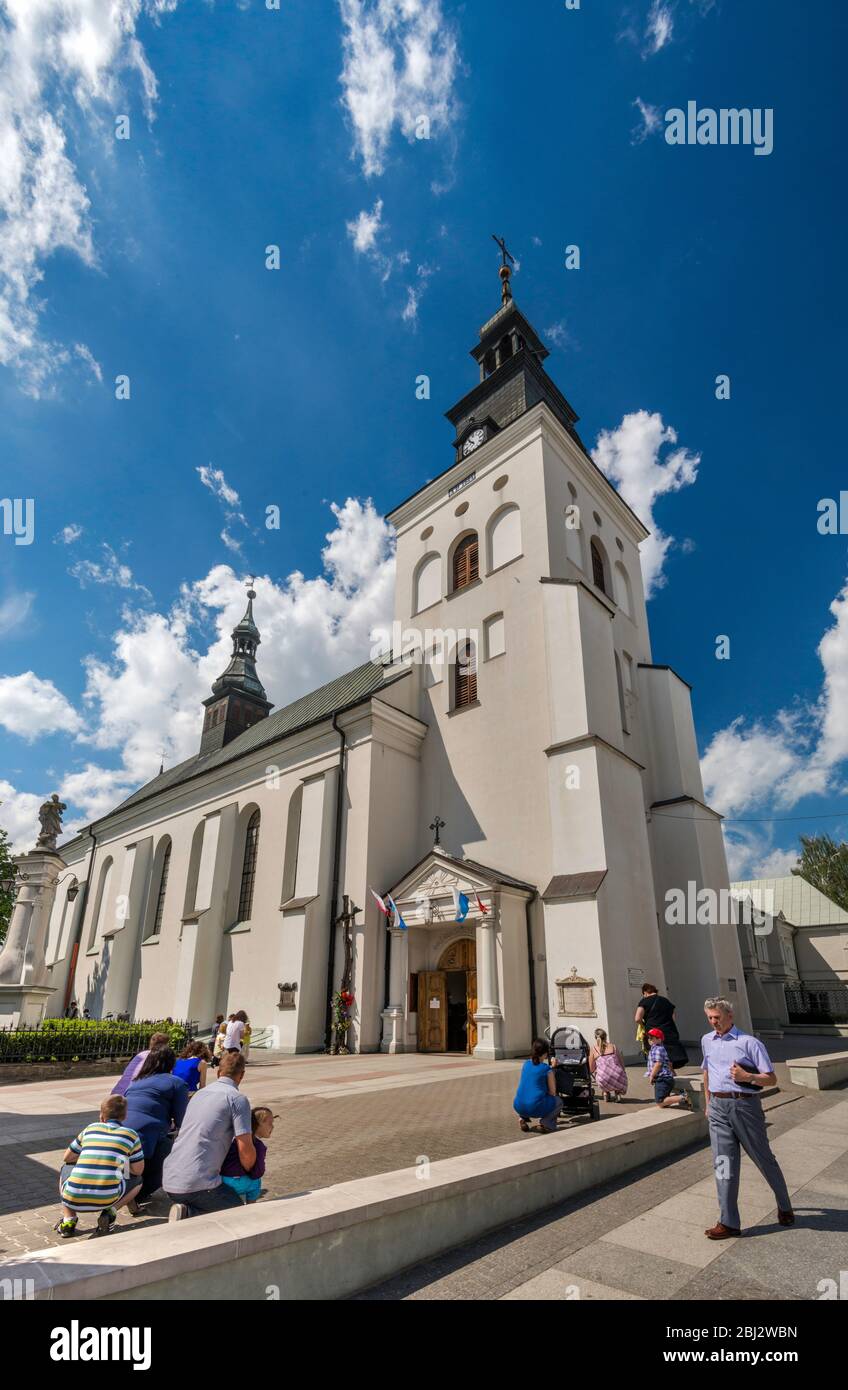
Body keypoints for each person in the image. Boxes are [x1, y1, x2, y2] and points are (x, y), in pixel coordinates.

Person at [701, 996, 793, 1240]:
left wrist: (747, 1077)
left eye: (717, 1018)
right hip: (719, 1107)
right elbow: (707, 1072)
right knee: (723, 1163)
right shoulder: (706, 1041)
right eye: (710, 1018)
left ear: (730, 1016)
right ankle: (728, 1222)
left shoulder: (749, 1043)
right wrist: (708, 1102)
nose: (713, 1023)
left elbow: (771, 1079)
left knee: (763, 1158)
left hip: (745, 1106)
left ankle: (784, 1205)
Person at [163, 1050, 255, 1219]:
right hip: (197, 1185)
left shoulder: (198, 1095)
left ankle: (187, 1210)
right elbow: (246, 1150)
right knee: (240, 1215)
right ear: (241, 1075)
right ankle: (189, 1214)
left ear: (219, 1072)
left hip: (169, 1179)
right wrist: (251, 1171)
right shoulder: (237, 1099)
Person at [54, 1094, 144, 1238]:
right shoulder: (131, 1135)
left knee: (66, 1168)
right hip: (107, 1198)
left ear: (101, 1116)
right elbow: (138, 1170)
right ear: (124, 1116)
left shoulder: (90, 1128)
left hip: (73, 1199)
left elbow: (67, 1157)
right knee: (138, 1181)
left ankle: (68, 1220)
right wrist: (121, 1163)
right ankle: (111, 1212)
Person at [123, 1047, 189, 1208]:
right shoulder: (176, 1082)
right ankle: (137, 1194)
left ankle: (125, 1190)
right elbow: (182, 1118)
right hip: (150, 1133)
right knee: (168, 1163)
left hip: (122, 1132)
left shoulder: (136, 1083)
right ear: (171, 1063)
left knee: (131, 1165)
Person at [220, 1107, 274, 1203]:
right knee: (256, 1182)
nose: (272, 1127)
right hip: (241, 1183)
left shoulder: (234, 1140)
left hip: (225, 1180)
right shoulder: (258, 1145)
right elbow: (258, 1172)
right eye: (270, 1123)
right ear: (258, 1124)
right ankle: (251, 1204)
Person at [513, 1038, 563, 1133]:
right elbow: (552, 1092)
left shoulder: (526, 1064)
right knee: (559, 1102)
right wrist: (552, 1068)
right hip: (534, 1107)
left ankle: (522, 1118)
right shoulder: (546, 1069)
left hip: (519, 1105)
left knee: (528, 1095)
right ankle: (545, 1123)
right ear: (545, 1053)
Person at [635, 983, 688, 1069]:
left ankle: (658, 1073)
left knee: (657, 1052)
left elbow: (637, 1018)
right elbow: (673, 1017)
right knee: (669, 1052)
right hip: (669, 1030)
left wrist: (643, 1024)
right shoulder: (666, 1001)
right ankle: (670, 1071)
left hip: (654, 1032)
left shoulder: (644, 1001)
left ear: (645, 992)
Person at [111, 1030, 170, 1097]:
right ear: (165, 1045)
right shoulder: (158, 1057)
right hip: (131, 1096)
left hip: (116, 1093)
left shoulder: (140, 1054)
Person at [646, 1028, 691, 1109]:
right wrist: (673, 1072)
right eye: (649, 1038)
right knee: (663, 1100)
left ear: (659, 1039)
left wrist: (652, 1075)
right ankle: (680, 1096)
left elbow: (658, 1063)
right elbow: (669, 1063)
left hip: (662, 1078)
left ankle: (683, 1097)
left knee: (660, 1101)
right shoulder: (658, 1048)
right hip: (665, 1078)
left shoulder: (657, 1049)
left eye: (651, 1038)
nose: (649, 1040)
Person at [589, 1028, 628, 1102]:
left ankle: (605, 1092)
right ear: (606, 1036)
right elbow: (621, 1063)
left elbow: (591, 1068)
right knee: (616, 1073)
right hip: (618, 1077)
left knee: (601, 1073)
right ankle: (617, 1092)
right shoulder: (613, 1046)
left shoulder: (593, 1049)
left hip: (603, 1079)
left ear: (595, 1038)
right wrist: (623, 1072)